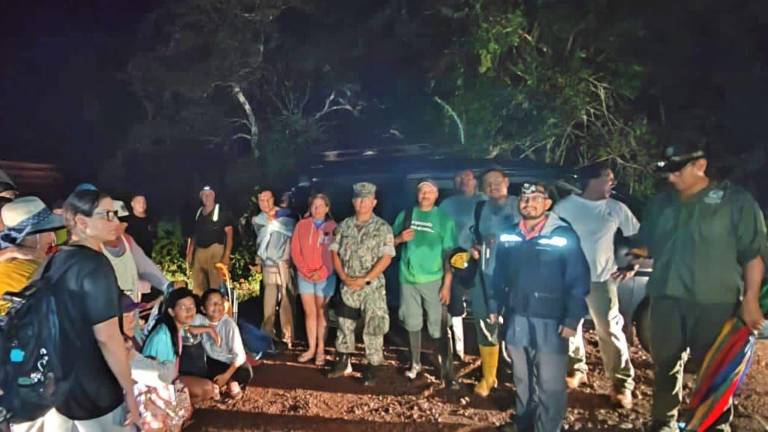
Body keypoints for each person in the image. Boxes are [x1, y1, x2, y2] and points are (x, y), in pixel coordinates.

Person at [637, 144, 767, 432]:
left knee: (713, 367)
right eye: (667, 172)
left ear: (700, 165)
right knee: (665, 363)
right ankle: (663, 421)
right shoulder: (661, 204)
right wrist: (631, 252)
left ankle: (713, 424)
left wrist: (751, 300)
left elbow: (753, 255)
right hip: (666, 297)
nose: (670, 178)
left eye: (677, 170)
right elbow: (649, 243)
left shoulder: (735, 202)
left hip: (714, 300)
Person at [490, 182, 590, 432]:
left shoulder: (563, 235)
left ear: (547, 204)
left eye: (536, 198)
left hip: (551, 318)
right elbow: (498, 274)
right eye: (524, 199)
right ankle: (524, 423)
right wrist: (494, 305)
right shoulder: (509, 234)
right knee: (522, 378)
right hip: (517, 316)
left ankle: (548, 427)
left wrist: (572, 320)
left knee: (550, 382)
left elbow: (578, 279)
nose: (529, 203)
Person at [42, 190, 140, 430]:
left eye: (115, 214)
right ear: (81, 221)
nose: (115, 222)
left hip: (62, 387)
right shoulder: (96, 265)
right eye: (106, 215)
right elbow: (106, 338)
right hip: (96, 390)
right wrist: (129, 390)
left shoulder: (56, 259)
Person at [553, 163, 638, 408]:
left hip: (601, 280)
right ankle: (575, 369)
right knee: (569, 327)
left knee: (609, 329)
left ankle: (622, 384)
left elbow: (639, 236)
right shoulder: (565, 207)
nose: (612, 183)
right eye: (608, 178)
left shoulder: (616, 209)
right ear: (592, 180)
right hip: (568, 278)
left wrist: (632, 263)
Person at [327, 182, 395, 386]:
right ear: (353, 201)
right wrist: (343, 277)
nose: (361, 203)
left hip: (371, 286)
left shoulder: (383, 227)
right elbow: (334, 252)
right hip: (348, 284)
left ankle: (372, 366)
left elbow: (387, 257)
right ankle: (343, 362)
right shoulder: (344, 226)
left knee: (374, 325)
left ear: (374, 202)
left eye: (366, 199)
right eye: (358, 198)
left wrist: (365, 278)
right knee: (344, 324)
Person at [393, 179, 457, 387]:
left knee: (438, 326)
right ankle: (415, 364)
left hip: (434, 280)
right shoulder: (406, 215)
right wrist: (399, 238)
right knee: (412, 322)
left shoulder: (444, 220)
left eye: (430, 191)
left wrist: (447, 283)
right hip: (408, 279)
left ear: (437, 194)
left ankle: (447, 370)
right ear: (417, 194)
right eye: (422, 191)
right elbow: (389, 243)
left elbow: (450, 255)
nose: (425, 195)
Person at [468, 169, 519, 397]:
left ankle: (521, 376)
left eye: (497, 181)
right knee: (484, 322)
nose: (493, 186)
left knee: (517, 324)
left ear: (507, 182)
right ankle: (489, 377)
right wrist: (474, 248)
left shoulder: (522, 205)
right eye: (487, 183)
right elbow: (473, 238)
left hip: (516, 277)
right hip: (485, 275)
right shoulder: (480, 208)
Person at [142, 288, 220, 404]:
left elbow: (191, 329)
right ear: (171, 311)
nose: (189, 310)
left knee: (209, 389)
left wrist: (210, 329)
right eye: (183, 307)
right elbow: (156, 377)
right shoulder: (162, 336)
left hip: (170, 378)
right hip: (156, 386)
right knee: (206, 388)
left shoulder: (177, 327)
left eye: (192, 306)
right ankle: (171, 409)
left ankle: (178, 409)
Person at [440, 169, 485, 361]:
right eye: (459, 177)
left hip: (481, 262)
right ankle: (457, 352)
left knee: (485, 310)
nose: (463, 181)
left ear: (475, 180)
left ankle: (494, 356)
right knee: (454, 309)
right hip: (454, 261)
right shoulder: (447, 205)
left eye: (468, 177)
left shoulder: (486, 202)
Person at [290, 193, 337, 365]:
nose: (316, 209)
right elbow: (295, 250)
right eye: (313, 205)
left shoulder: (333, 227)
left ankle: (321, 349)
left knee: (321, 312)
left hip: (325, 276)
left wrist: (322, 271)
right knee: (309, 313)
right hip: (305, 276)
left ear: (327, 208)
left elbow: (334, 254)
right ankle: (311, 348)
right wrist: (305, 270)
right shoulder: (302, 225)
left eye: (320, 205)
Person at [0, 197, 63, 315]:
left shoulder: (8, 262)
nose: (53, 236)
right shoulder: (26, 271)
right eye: (49, 230)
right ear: (34, 235)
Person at [252, 187, 297, 347]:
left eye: (268, 199)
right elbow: (259, 241)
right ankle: (267, 335)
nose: (265, 203)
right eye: (261, 200)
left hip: (284, 263)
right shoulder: (258, 220)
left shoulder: (287, 216)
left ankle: (288, 335)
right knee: (269, 301)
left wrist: (288, 258)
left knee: (287, 298)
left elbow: (293, 239)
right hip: (268, 264)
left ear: (274, 199)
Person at [103, 200, 171, 303]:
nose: (121, 224)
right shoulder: (93, 247)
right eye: (113, 219)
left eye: (121, 220)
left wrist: (166, 286)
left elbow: (145, 266)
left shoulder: (127, 240)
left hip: (131, 305)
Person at [192, 289, 253, 398]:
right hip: (211, 361)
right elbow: (186, 328)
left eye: (220, 302)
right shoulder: (199, 319)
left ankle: (229, 381)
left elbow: (240, 356)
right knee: (200, 369)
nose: (217, 306)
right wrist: (208, 329)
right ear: (203, 309)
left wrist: (226, 375)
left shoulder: (229, 325)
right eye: (212, 303)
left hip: (229, 362)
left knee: (246, 372)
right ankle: (217, 385)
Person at [186, 186, 234, 295]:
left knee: (215, 286)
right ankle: (200, 308)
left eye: (209, 195)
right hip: (200, 251)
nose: (206, 197)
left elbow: (229, 234)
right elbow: (194, 234)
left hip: (216, 250)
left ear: (213, 195)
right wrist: (189, 252)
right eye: (204, 195)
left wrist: (226, 255)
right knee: (198, 284)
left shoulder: (222, 211)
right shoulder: (198, 213)